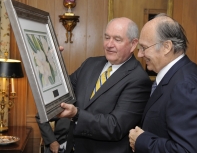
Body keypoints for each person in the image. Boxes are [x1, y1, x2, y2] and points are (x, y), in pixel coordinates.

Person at [36, 17, 152, 153]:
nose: (109, 44)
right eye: (107, 37)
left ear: (133, 44)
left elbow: (115, 126)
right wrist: (52, 63)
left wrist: (77, 114)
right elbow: (63, 92)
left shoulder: (138, 79)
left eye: (117, 39)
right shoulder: (90, 64)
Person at [128, 13, 197, 153]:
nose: (140, 55)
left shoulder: (185, 85)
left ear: (167, 46)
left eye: (144, 48)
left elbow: (187, 150)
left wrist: (141, 140)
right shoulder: (180, 74)